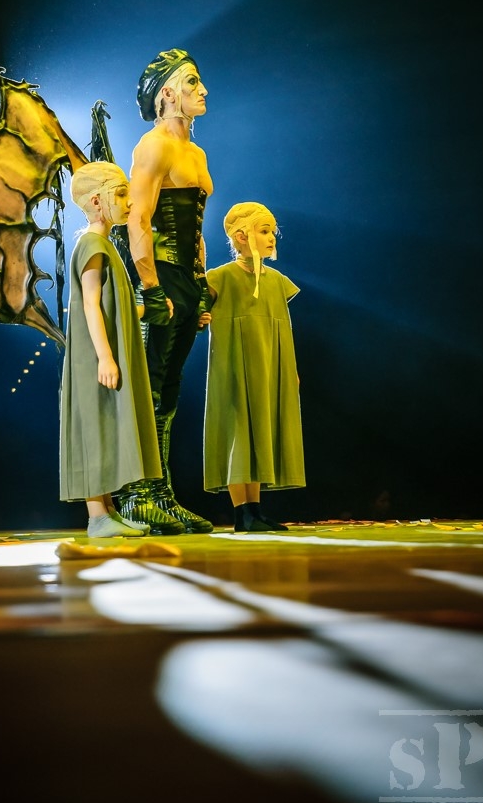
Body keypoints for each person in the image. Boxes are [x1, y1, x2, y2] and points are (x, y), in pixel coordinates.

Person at [114, 48, 215, 535]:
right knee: (151, 382)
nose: (203, 90)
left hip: (186, 278)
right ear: (167, 93)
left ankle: (160, 493)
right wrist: (150, 287)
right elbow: (137, 219)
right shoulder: (152, 146)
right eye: (192, 82)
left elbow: (196, 228)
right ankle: (137, 495)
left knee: (169, 386)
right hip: (161, 274)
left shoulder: (196, 153)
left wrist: (202, 280)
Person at [59, 161, 162, 537]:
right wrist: (104, 356)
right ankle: (97, 515)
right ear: (96, 201)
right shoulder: (91, 243)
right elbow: (89, 303)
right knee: (95, 423)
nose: (128, 202)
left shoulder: (102, 245)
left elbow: (113, 305)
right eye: (120, 194)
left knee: (104, 421)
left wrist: (151, 308)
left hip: (106, 349)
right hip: (95, 354)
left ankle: (108, 512)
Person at [202, 202, 306, 531]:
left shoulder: (277, 281)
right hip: (234, 364)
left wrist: (291, 370)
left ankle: (255, 510)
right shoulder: (220, 278)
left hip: (270, 365)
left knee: (260, 428)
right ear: (241, 236)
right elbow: (196, 314)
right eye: (264, 231)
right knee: (238, 430)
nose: (272, 237)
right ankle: (242, 512)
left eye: (272, 231)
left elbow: (282, 330)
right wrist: (200, 315)